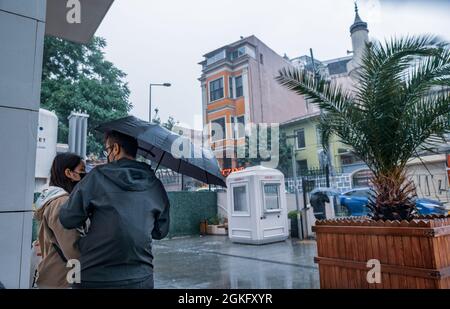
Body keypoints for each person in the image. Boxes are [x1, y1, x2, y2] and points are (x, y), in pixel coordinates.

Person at [59, 130, 170, 289]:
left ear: (116, 149)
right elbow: (160, 232)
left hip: (94, 277)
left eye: (107, 150)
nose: (108, 155)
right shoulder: (155, 184)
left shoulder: (97, 176)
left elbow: (68, 219)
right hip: (141, 278)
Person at [34, 153, 85, 288]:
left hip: (54, 275)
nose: (85, 177)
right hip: (63, 279)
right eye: (82, 172)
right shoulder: (62, 203)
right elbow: (73, 248)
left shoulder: (50, 199)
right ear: (69, 173)